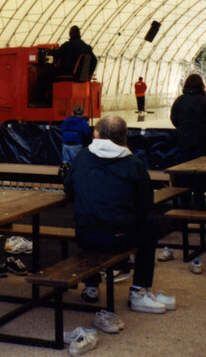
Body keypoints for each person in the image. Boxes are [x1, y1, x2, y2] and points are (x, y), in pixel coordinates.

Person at [64, 116, 175, 322]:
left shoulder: (81, 157)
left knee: (92, 216)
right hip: (118, 237)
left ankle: (91, 286)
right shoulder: (134, 164)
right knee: (150, 225)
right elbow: (145, 205)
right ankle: (139, 290)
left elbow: (68, 189)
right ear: (124, 137)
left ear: (97, 134)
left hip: (85, 236)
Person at [170, 74, 206, 162]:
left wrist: (182, 128)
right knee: (198, 165)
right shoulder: (205, 101)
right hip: (201, 140)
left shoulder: (180, 100)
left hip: (183, 138)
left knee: (184, 164)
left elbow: (174, 118)